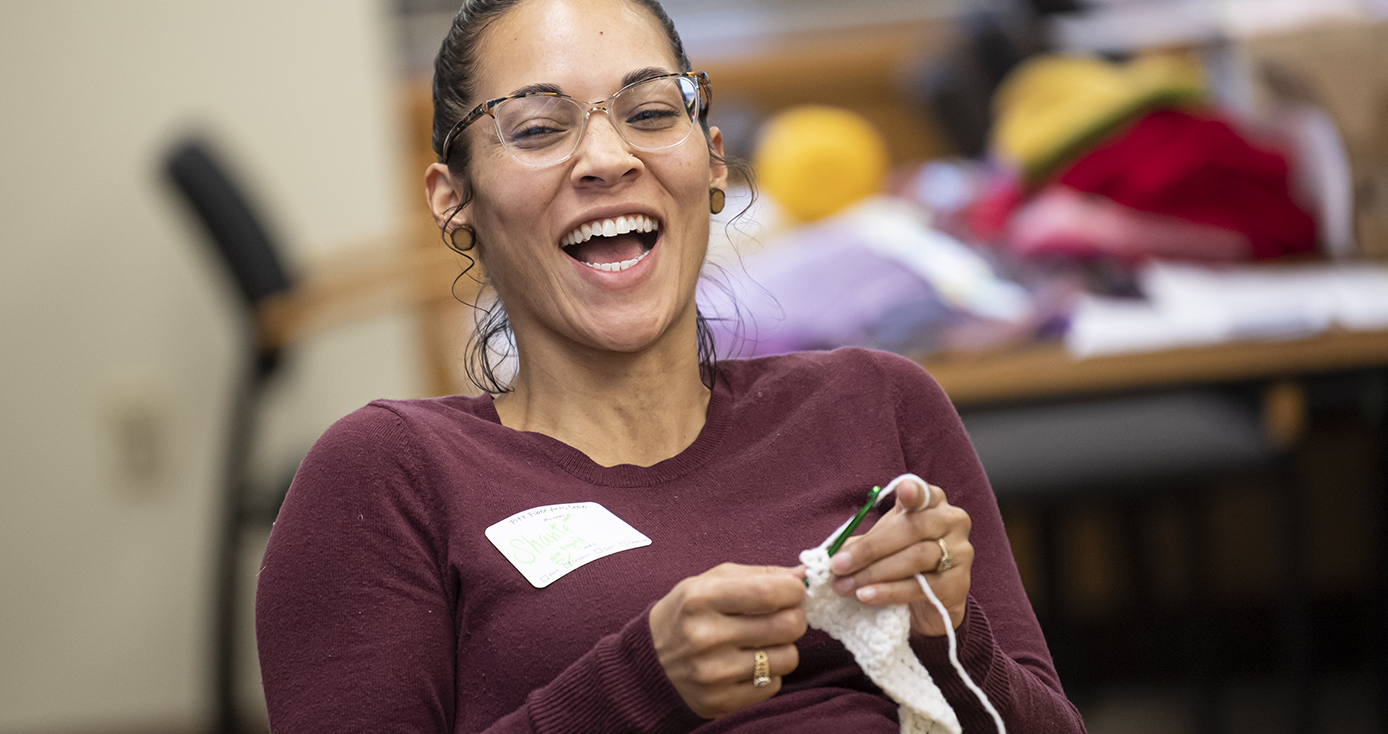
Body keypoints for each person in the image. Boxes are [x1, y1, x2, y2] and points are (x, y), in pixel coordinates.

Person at [255, 0, 1087, 731]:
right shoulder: (389, 475)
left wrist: (949, 633)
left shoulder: (878, 403)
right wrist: (639, 687)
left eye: (651, 113)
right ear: (454, 198)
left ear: (713, 162)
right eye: (539, 130)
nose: (608, 158)